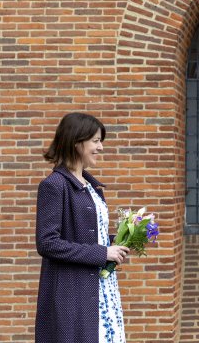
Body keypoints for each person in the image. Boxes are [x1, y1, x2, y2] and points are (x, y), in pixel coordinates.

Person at [35, 112, 129, 343]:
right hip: (74, 291)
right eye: (96, 141)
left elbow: (89, 233)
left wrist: (124, 239)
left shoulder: (91, 186)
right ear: (77, 142)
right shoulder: (54, 185)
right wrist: (103, 253)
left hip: (100, 288)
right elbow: (47, 243)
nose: (101, 147)